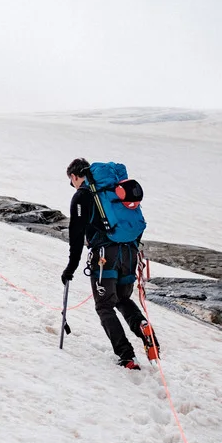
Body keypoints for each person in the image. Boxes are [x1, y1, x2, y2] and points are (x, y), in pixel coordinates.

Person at [61, 157, 157, 369]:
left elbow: (76, 236)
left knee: (104, 305)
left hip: (104, 256)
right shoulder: (115, 191)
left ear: (76, 176)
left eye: (71, 181)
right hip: (130, 253)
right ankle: (142, 325)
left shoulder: (82, 196)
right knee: (122, 298)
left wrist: (70, 268)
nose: (72, 186)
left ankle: (127, 357)